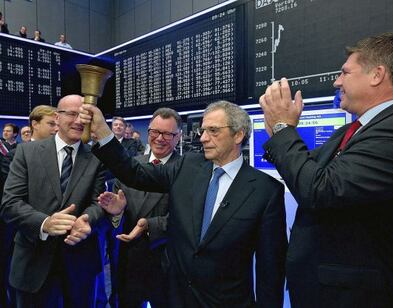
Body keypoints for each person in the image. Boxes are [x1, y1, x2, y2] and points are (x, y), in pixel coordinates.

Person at [81, 100, 287, 307]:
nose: (204, 138)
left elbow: (270, 269)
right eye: (203, 130)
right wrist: (103, 133)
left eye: (213, 131)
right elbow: (133, 173)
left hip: (225, 301)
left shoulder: (265, 190)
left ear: (238, 135)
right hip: (175, 296)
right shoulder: (187, 166)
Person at [259, 32, 393, 307]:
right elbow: (306, 169)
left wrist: (283, 130)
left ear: (377, 74)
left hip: (356, 298)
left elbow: (319, 190)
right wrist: (279, 132)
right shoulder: (353, 131)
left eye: (344, 73)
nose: (336, 81)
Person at [0, 95, 106, 308]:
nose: (78, 121)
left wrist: (87, 219)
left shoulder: (97, 158)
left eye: (83, 115)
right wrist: (44, 223)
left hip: (80, 264)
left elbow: (99, 203)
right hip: (33, 262)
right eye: (72, 114)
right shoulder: (26, 152)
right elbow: (10, 203)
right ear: (57, 118)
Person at [107, 107, 181, 307]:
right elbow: (115, 217)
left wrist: (149, 225)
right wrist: (117, 213)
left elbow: (186, 217)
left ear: (178, 137)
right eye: (155, 132)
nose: (159, 138)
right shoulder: (129, 167)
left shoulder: (186, 170)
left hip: (166, 263)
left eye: (167, 134)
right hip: (128, 263)